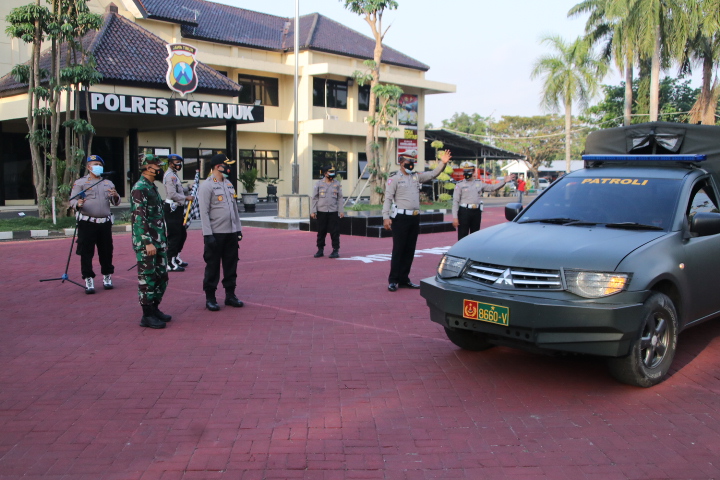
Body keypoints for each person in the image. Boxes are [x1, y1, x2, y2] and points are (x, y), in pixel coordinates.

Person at [383, 150, 452, 292]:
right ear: (401, 163)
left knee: (410, 250)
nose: (411, 165)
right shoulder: (394, 178)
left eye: (413, 162)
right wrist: (385, 216)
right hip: (400, 218)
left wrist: (443, 163)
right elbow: (388, 198)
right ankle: (393, 280)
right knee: (399, 250)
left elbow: (432, 174)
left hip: (414, 218)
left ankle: (404, 279)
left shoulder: (416, 177)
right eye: (408, 162)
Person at [198, 153, 244, 311]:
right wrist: (207, 235)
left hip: (230, 232)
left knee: (231, 264)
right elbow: (203, 212)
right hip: (215, 234)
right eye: (227, 165)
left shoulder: (229, 184)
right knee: (213, 266)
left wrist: (238, 229)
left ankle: (230, 295)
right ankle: (210, 297)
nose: (229, 168)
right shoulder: (207, 185)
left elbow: (234, 209)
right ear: (218, 166)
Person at [69, 155, 121, 294]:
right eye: (94, 164)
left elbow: (115, 201)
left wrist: (115, 196)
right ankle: (88, 278)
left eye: (99, 164)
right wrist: (77, 204)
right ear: (88, 167)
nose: (97, 166)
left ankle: (107, 276)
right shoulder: (81, 183)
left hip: (104, 223)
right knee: (86, 252)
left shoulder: (108, 183)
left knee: (106, 251)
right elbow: (72, 200)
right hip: (87, 223)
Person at [130, 154, 171, 329]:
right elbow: (139, 218)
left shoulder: (151, 186)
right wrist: (147, 242)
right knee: (147, 278)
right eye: (157, 166)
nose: (160, 169)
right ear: (147, 167)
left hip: (159, 239)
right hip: (147, 242)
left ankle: (154, 308)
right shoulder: (140, 188)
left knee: (162, 276)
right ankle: (146, 315)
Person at [452, 162, 516, 240]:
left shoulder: (479, 183)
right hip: (464, 212)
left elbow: (492, 188)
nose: (466, 173)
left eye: (468, 171)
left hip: (476, 212)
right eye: (465, 171)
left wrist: (504, 181)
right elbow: (455, 201)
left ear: (473, 171)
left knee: (475, 235)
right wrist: (455, 218)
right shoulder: (459, 185)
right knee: (463, 234)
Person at [163, 153, 193, 272]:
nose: (179, 165)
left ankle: (176, 256)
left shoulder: (174, 175)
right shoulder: (170, 176)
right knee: (175, 235)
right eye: (177, 163)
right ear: (170, 163)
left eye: (180, 162)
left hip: (178, 208)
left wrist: (188, 188)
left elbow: (178, 190)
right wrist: (186, 198)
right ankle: (170, 261)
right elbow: (172, 194)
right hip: (172, 208)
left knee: (182, 234)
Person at [310, 165, 344, 258]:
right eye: (330, 172)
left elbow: (340, 198)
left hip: (333, 211)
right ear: (325, 173)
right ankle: (320, 249)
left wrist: (341, 210)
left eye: (333, 172)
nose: (332, 174)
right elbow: (314, 198)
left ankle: (335, 250)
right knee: (321, 231)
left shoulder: (337, 183)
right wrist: (313, 211)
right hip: (322, 211)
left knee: (335, 231)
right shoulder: (319, 184)